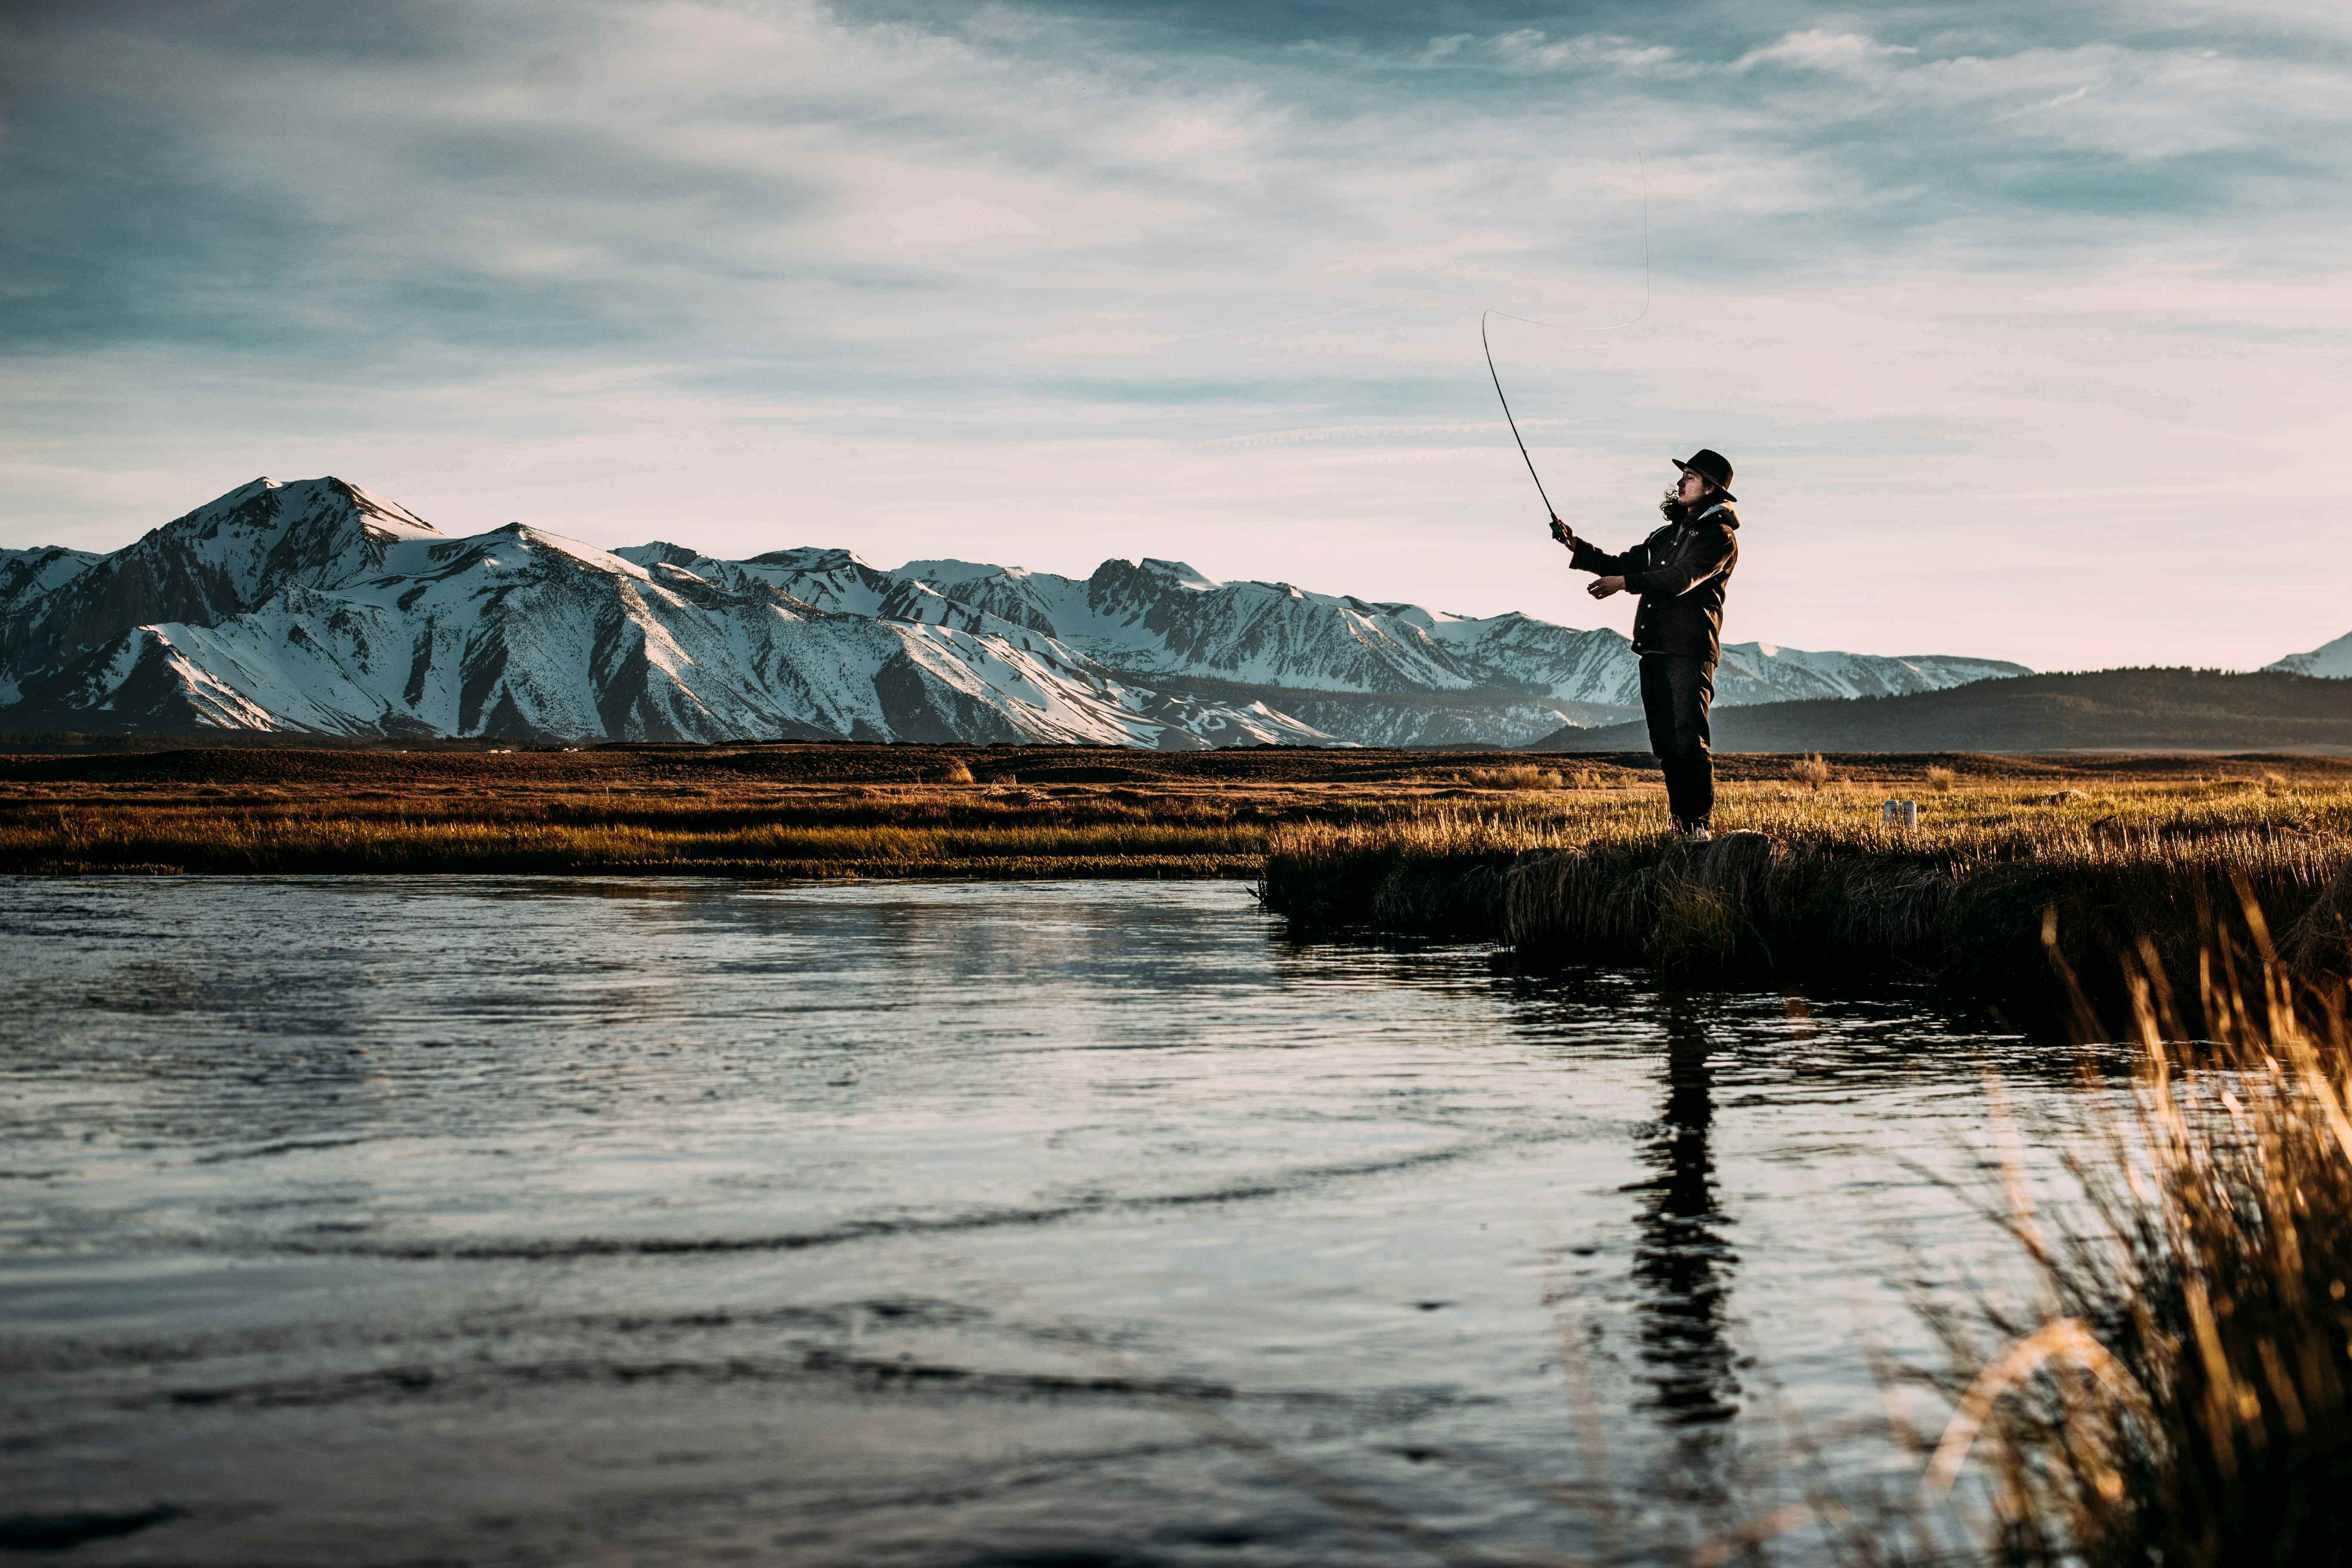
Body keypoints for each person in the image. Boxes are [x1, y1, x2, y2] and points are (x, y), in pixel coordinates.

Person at [1551, 450, 1740, 843]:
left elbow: (1680, 579)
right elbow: (1624, 562)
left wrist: (1624, 584)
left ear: (1710, 488)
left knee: (1690, 739)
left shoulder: (1718, 538)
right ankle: (1682, 826)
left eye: (1690, 476)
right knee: (1667, 744)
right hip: (1654, 649)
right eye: (1683, 475)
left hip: (1690, 651)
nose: (1680, 482)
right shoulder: (1664, 535)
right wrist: (1575, 546)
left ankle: (1700, 827)